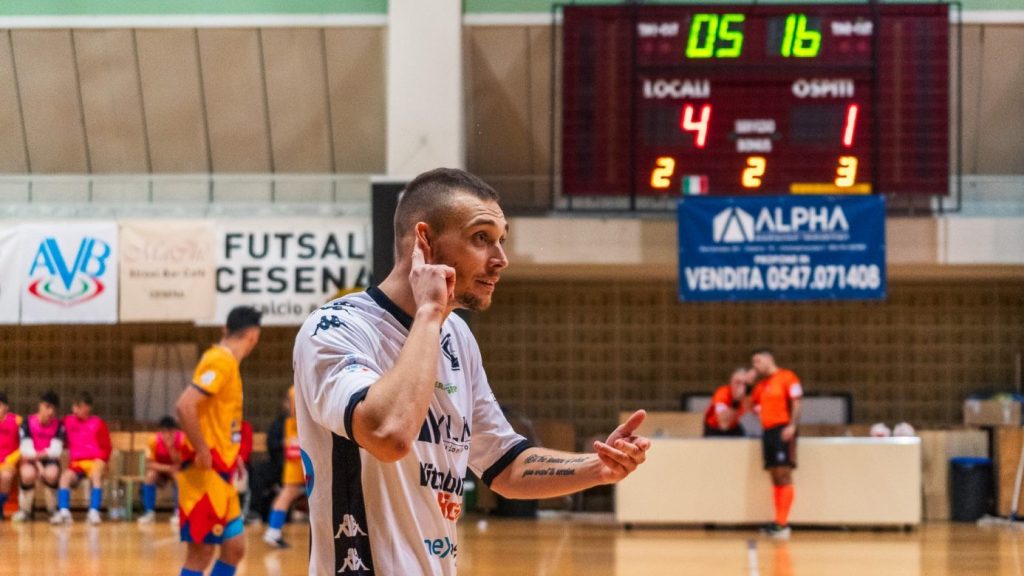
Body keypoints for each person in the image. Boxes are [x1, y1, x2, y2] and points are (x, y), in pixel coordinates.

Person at [293, 167, 651, 575]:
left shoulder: (456, 336)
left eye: (501, 241)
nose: (501, 260)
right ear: (424, 243)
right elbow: (388, 434)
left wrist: (596, 468)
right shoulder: (337, 327)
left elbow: (504, 465)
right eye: (481, 238)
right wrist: (429, 310)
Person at [175, 305, 262, 576]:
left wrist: (230, 452)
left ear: (226, 329)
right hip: (205, 476)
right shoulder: (220, 361)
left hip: (222, 473)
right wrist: (203, 449)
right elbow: (185, 406)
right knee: (200, 553)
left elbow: (215, 417)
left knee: (234, 548)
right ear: (253, 337)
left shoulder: (227, 365)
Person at [749, 349, 803, 540]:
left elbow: (797, 402)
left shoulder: (787, 377)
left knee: (783, 473)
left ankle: (783, 523)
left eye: (757, 361)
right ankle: (778, 522)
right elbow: (750, 403)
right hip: (768, 431)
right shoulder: (761, 385)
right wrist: (749, 383)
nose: (755, 366)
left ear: (769, 359)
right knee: (774, 474)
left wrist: (792, 425)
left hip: (783, 429)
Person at [52, 391, 112, 525]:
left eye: (80, 406)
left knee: (96, 476)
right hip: (77, 463)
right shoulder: (68, 421)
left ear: (88, 407)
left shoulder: (98, 423)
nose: (76, 409)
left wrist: (101, 461)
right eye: (75, 406)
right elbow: (53, 428)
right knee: (64, 478)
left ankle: (94, 512)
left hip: (95, 461)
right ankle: (64, 512)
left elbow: (107, 448)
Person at [13, 390, 64, 522]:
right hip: (31, 460)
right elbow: (26, 450)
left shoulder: (59, 425)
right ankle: (25, 511)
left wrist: (41, 460)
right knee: (27, 474)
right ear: (40, 406)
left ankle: (52, 511)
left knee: (52, 474)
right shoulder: (27, 422)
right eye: (47, 407)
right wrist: (39, 465)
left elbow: (56, 451)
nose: (50, 412)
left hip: (48, 460)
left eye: (53, 408)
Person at [262, 386, 304, 548]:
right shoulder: (296, 390)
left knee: (291, 492)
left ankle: (273, 531)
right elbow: (297, 414)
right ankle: (273, 531)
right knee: (289, 491)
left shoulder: (296, 388)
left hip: (298, 445)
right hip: (298, 447)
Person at [138, 415, 183, 524]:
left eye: (171, 432)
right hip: (162, 468)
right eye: (164, 432)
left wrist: (171, 447)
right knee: (150, 476)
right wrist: (168, 468)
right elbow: (149, 464)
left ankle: (178, 512)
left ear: (175, 431)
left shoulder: (182, 440)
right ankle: (149, 512)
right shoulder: (153, 440)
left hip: (177, 470)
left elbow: (179, 464)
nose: (167, 435)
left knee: (178, 477)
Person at [703, 368, 752, 437]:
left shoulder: (747, 396)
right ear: (731, 382)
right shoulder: (722, 393)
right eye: (737, 382)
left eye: (744, 384)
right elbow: (723, 424)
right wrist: (736, 401)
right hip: (715, 427)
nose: (741, 387)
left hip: (733, 426)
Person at [0, 392, 22, 520]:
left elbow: (25, 443)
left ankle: (0, 507)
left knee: (5, 476)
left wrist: (14, 457)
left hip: (9, 461)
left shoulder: (17, 420)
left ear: (6, 407)